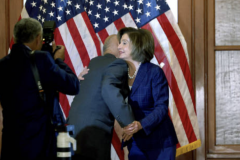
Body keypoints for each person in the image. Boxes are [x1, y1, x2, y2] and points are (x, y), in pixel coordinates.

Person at [0, 18, 80, 160]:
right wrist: (59, 60)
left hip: (10, 145)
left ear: (15, 37)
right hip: (38, 145)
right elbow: (73, 85)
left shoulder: (3, 64)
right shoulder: (41, 59)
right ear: (38, 38)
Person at [67, 34, 135, 160]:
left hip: (73, 129)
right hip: (93, 133)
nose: (123, 46)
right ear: (116, 47)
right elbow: (109, 91)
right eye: (121, 43)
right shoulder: (117, 64)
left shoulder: (94, 63)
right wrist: (130, 124)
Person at [117, 27, 178, 160]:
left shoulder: (154, 72)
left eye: (124, 43)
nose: (119, 46)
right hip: (136, 143)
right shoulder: (120, 74)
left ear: (137, 46)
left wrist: (140, 125)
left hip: (159, 141)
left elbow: (161, 108)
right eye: (120, 42)